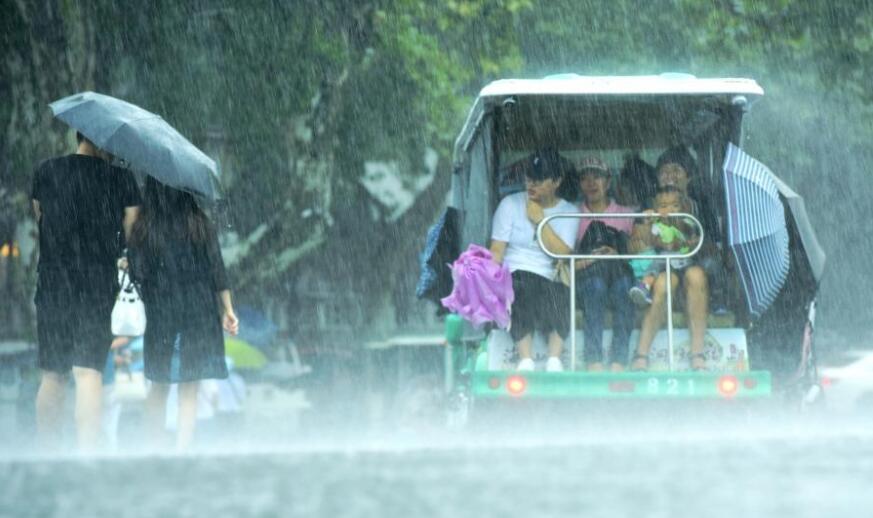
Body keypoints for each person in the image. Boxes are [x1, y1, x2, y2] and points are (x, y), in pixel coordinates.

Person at [31, 131, 141, 452]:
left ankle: (45, 454)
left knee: (53, 373)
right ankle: (86, 454)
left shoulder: (47, 170)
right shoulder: (120, 177)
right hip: (97, 282)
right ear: (102, 140)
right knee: (88, 372)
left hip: (53, 280)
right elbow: (133, 224)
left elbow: (39, 214)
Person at [128, 177, 239, 451]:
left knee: (159, 382)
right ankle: (182, 448)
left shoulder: (145, 227)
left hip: (163, 312)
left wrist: (154, 291)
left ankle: (153, 447)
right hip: (198, 310)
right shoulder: (199, 224)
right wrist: (228, 309)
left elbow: (137, 272)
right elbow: (217, 269)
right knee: (190, 384)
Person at [489, 149, 578, 372]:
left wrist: (540, 221)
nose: (532, 184)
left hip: (550, 275)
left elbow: (561, 252)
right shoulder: (509, 204)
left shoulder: (569, 211)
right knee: (518, 286)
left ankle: (554, 359)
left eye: (539, 180)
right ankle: (526, 359)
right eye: (529, 178)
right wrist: (489, 277)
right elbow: (497, 250)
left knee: (562, 295)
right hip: (515, 273)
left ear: (556, 181)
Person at [630, 147, 710, 371]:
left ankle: (697, 354)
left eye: (677, 170)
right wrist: (648, 226)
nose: (670, 176)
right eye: (665, 171)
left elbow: (711, 246)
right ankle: (641, 354)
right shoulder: (650, 204)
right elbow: (636, 245)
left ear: (689, 177)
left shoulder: (700, 206)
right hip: (661, 268)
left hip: (691, 266)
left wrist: (687, 238)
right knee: (665, 282)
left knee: (696, 276)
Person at [573, 157, 636, 372]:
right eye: (585, 178)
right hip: (587, 277)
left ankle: (619, 360)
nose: (591, 183)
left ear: (608, 182)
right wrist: (593, 258)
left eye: (597, 177)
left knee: (624, 289)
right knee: (596, 286)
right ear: (579, 184)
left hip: (618, 275)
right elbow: (564, 259)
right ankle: (594, 361)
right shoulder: (572, 214)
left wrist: (615, 254)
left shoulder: (627, 215)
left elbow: (638, 256)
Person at [628, 186, 698, 306]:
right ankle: (644, 288)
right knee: (653, 265)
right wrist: (648, 218)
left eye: (675, 205)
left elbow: (689, 232)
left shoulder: (687, 221)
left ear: (683, 207)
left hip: (683, 262)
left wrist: (676, 225)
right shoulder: (657, 224)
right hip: (664, 262)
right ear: (656, 209)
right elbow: (654, 240)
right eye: (664, 206)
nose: (669, 210)